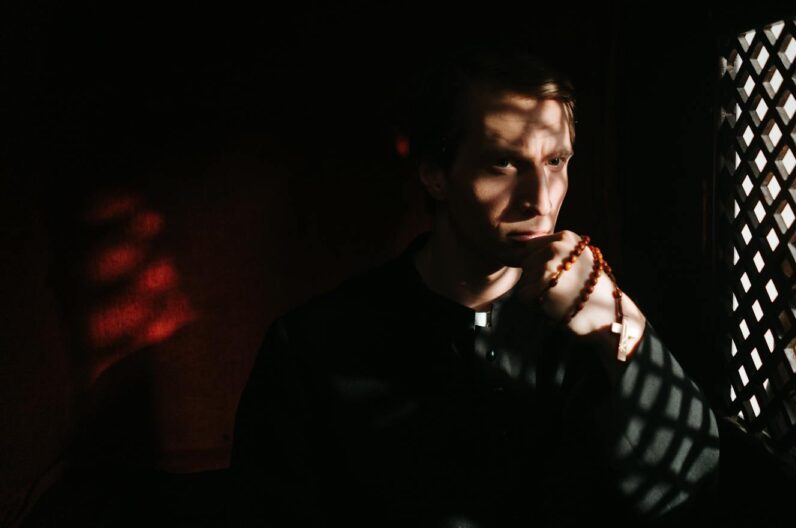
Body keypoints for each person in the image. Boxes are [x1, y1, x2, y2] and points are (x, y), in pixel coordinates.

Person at [228, 45, 720, 527]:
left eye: (556, 162)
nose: (540, 199)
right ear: (435, 175)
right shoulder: (313, 345)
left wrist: (616, 325)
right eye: (503, 164)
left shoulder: (590, 318)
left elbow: (688, 485)